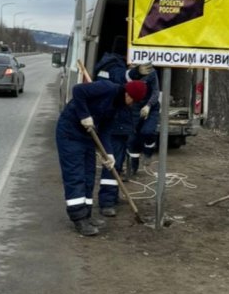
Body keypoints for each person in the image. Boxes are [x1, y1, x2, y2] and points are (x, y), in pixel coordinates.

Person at [55, 78, 148, 236]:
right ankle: (79, 219)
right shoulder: (107, 88)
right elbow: (78, 90)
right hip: (69, 132)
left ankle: (87, 214)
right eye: (132, 99)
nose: (131, 104)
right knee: (75, 175)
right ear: (127, 93)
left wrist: (108, 153)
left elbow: (105, 129)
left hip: (87, 137)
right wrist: (84, 115)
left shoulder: (117, 106)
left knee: (89, 175)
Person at [93, 37, 134, 217]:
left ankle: (112, 196)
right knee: (112, 164)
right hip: (115, 123)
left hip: (120, 122)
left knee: (117, 163)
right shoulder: (113, 67)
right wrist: (134, 74)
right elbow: (120, 81)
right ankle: (107, 202)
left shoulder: (107, 64)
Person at [127, 61, 161, 176]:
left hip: (150, 107)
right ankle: (133, 165)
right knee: (133, 138)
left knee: (148, 131)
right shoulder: (127, 74)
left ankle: (148, 153)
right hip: (134, 108)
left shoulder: (151, 72)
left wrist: (149, 106)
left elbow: (156, 91)